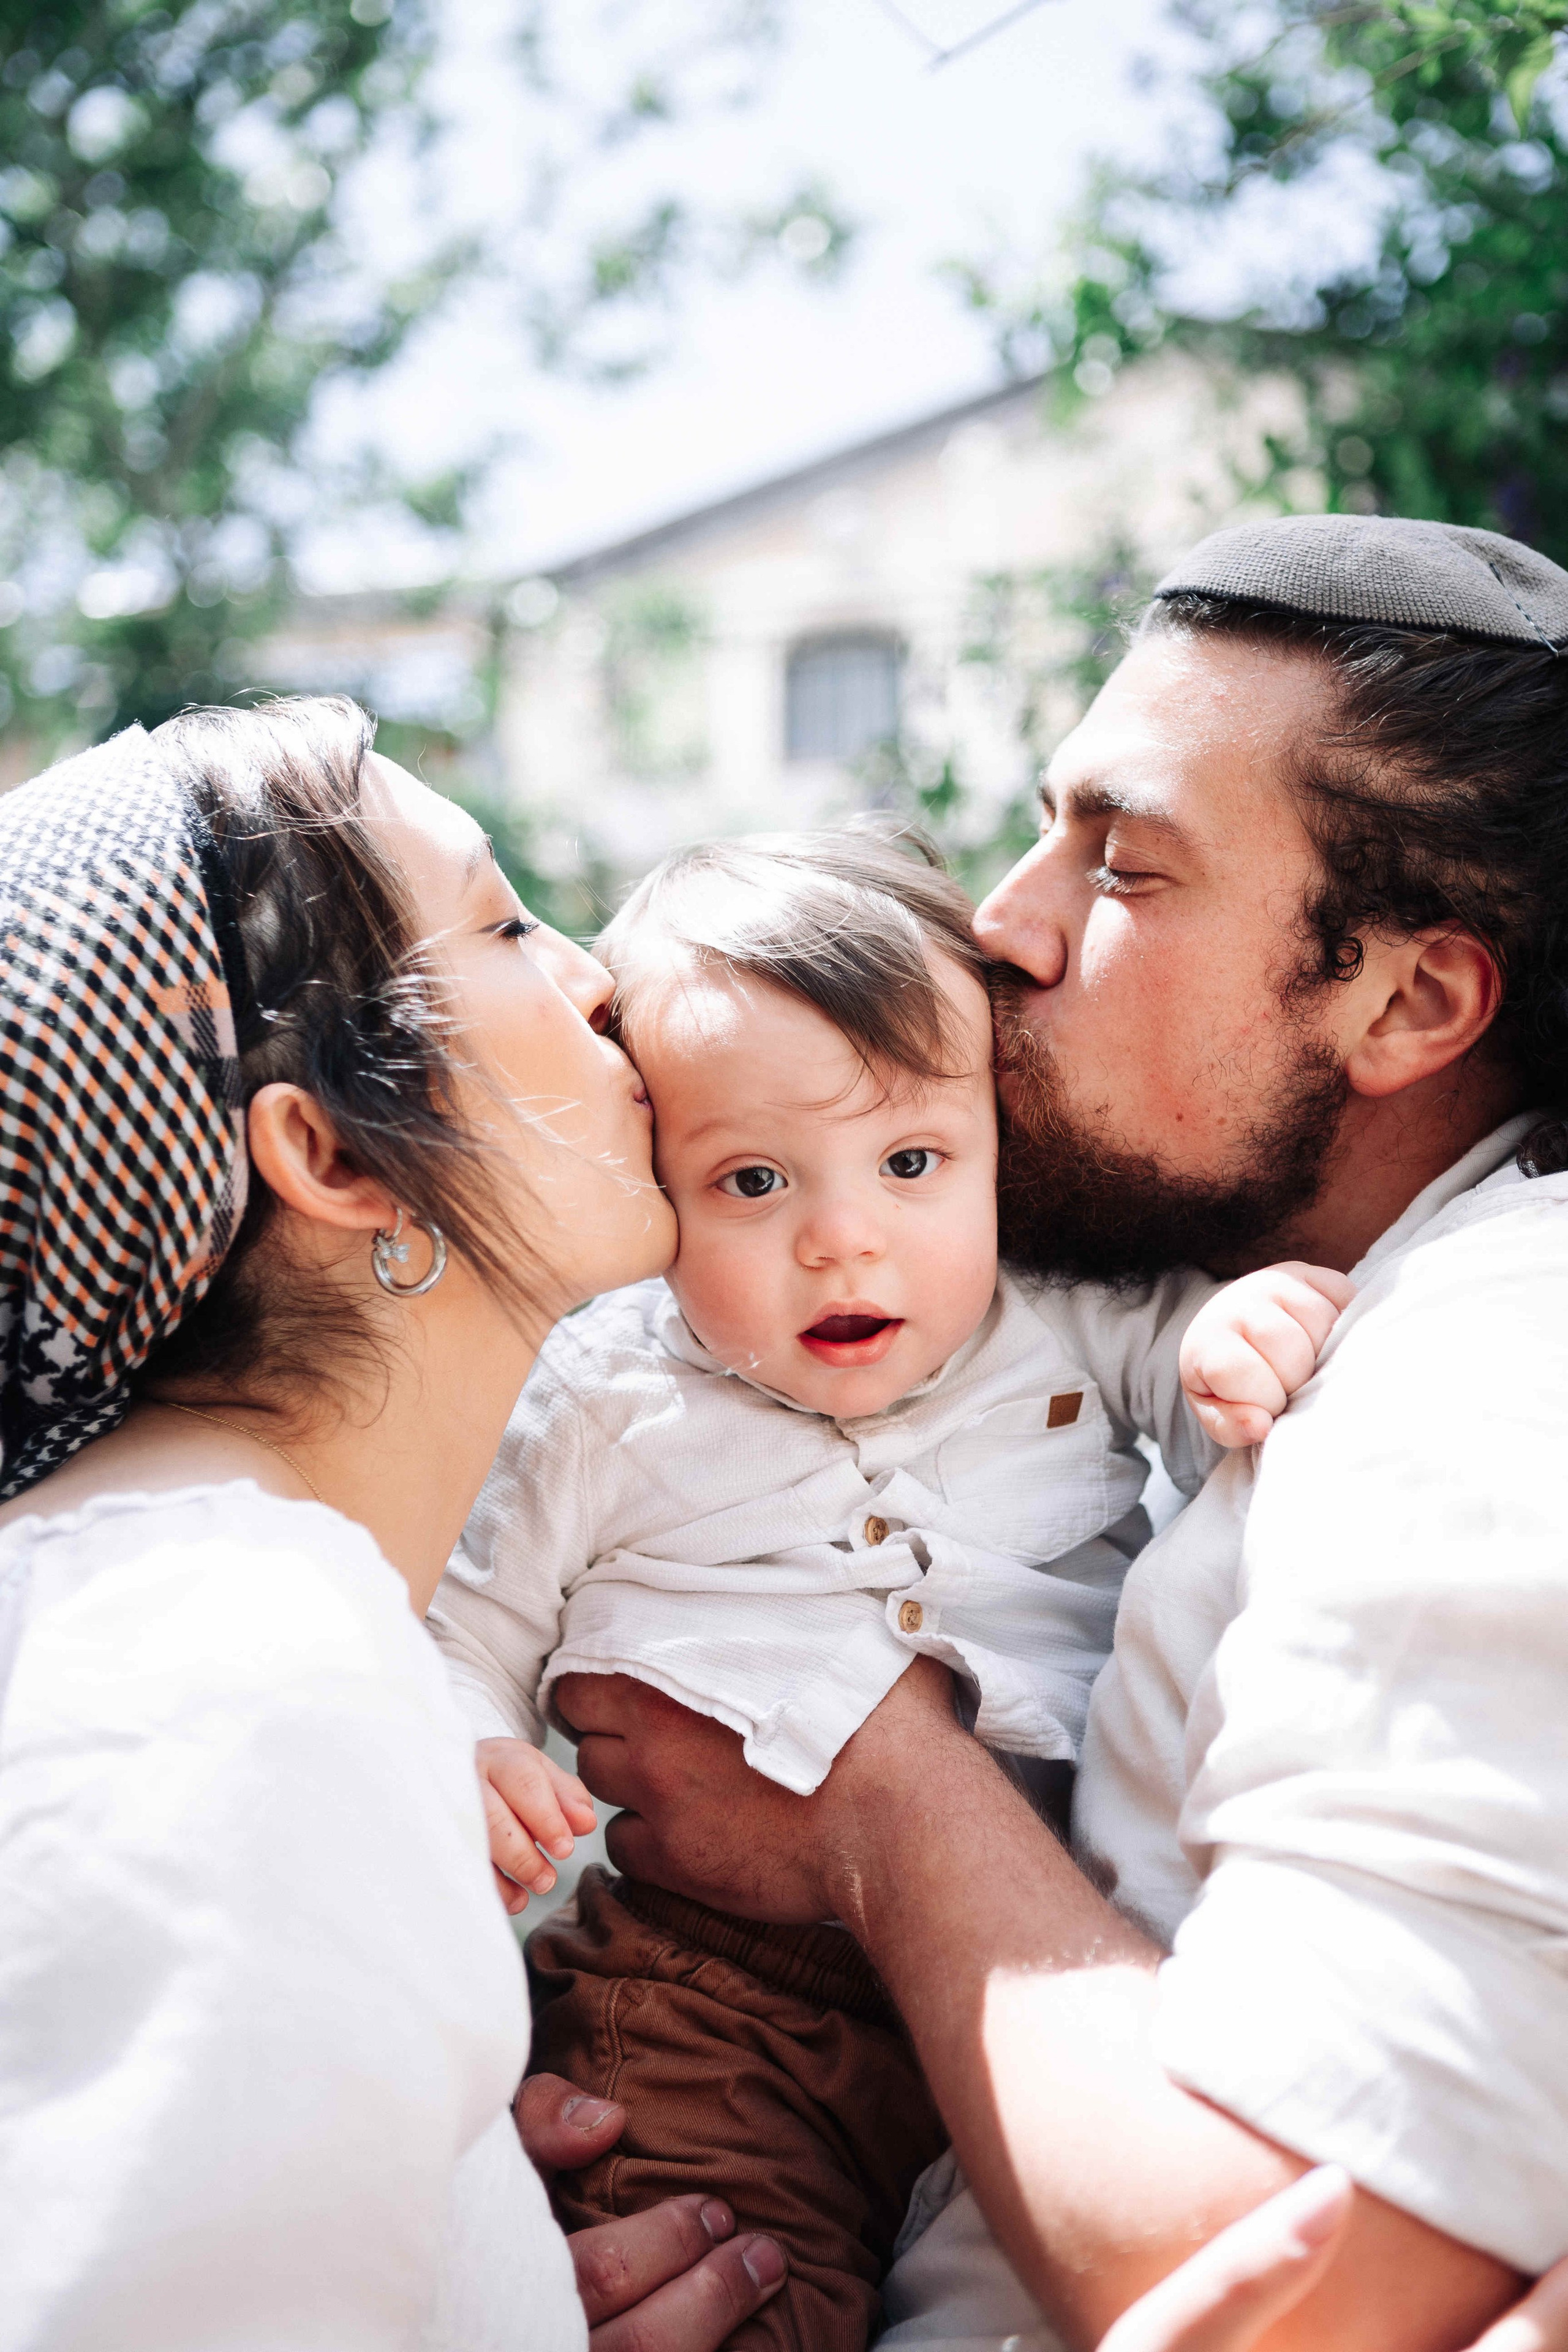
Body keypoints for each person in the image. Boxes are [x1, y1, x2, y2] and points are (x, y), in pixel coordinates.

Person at [549, 514, 1568, 2349]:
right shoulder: (1228, 1347)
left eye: (1126, 864)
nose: (1002, 926)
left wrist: (871, 1789)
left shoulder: (1489, 1380)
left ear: (1409, 999)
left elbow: (1302, 2286)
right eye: (1046, 827)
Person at [427, 829, 1346, 2351]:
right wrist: (475, 1747)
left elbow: (1213, 1398)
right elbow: (466, 1634)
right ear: (651, 1192)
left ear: (997, 1145)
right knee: (734, 2296)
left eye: (911, 1162)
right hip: (709, 1995)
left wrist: (1240, 1335)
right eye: (752, 1180)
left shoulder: (1061, 1318)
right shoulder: (599, 1403)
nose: (840, 1234)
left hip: (1040, 1932)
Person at [0, 700, 788, 2351]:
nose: (600, 978)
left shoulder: (195, 1637)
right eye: (503, 924)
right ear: (339, 1153)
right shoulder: (229, 1678)